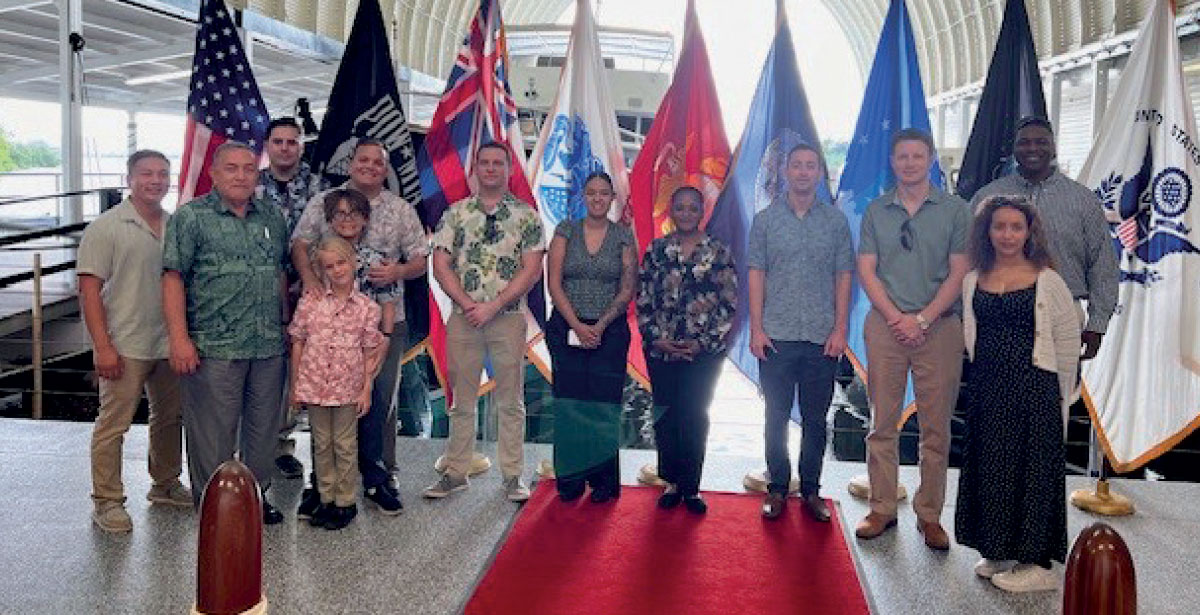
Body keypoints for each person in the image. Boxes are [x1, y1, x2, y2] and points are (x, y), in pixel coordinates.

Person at [291, 139, 427, 515]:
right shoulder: (325, 202)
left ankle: (377, 477)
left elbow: (419, 261)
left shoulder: (399, 210)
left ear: (385, 169)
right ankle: (322, 484)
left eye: (377, 162)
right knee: (325, 407)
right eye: (362, 160)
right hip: (326, 332)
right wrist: (311, 281)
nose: (369, 167)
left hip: (380, 330)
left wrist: (397, 272)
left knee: (376, 403)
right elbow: (300, 245)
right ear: (351, 164)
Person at [956, 196, 1080, 592]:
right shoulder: (973, 279)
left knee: (1031, 470)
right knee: (992, 467)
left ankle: (1037, 562)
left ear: (1029, 233)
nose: (1007, 235)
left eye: (1015, 227)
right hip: (988, 389)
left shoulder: (1048, 281)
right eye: (999, 227)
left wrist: (1061, 398)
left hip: (1034, 391)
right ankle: (998, 548)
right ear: (987, 231)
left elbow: (1065, 342)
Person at [163, 141, 290, 524]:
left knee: (263, 431)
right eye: (231, 168)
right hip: (213, 346)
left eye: (249, 168)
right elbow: (173, 278)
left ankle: (255, 496)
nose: (240, 175)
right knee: (212, 436)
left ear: (257, 174)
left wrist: (285, 325)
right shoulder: (191, 218)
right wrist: (179, 339)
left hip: (267, 344)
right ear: (215, 174)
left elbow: (281, 273)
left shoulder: (272, 216)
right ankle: (214, 507)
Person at [855, 129, 970, 549]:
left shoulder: (956, 210)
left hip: (939, 328)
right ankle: (882, 507)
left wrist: (921, 318)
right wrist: (897, 318)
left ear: (930, 160)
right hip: (886, 327)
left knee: (935, 428)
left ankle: (930, 515)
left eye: (917, 156)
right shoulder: (875, 211)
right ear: (892, 161)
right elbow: (866, 270)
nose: (909, 163)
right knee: (882, 422)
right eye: (901, 157)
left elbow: (959, 272)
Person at [424, 142, 545, 502]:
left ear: (508, 170)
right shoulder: (456, 214)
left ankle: (512, 476)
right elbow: (441, 264)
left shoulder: (526, 216)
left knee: (511, 400)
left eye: (498, 163)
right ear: (475, 168)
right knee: (461, 400)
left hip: (507, 318)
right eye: (485, 162)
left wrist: (492, 306)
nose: (491, 168)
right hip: (464, 319)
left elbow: (532, 269)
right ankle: (456, 472)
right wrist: (468, 304)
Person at [79, 150, 190, 533]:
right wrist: (102, 346)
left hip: (168, 341)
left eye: (162, 174)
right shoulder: (107, 226)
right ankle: (107, 501)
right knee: (114, 424)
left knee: (168, 418)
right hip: (124, 343)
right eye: (147, 173)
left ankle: (165, 483)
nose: (155, 180)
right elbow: (89, 291)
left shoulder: (176, 225)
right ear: (130, 178)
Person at [747, 144, 854, 522]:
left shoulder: (835, 222)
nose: (804, 172)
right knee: (774, 417)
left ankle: (811, 491)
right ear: (786, 172)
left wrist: (840, 329)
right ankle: (778, 487)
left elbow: (844, 277)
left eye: (811, 166)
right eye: (798, 166)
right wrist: (756, 328)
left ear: (819, 173)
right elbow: (756, 275)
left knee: (815, 418)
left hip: (821, 337)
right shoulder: (765, 221)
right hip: (775, 335)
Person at [970, 116, 1117, 360]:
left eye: (1041, 142)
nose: (1032, 148)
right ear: (1014, 149)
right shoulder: (988, 197)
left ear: (1053, 147)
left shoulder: (1083, 200)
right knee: (1001, 393)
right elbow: (969, 256)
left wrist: (1097, 324)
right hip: (998, 312)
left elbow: (1102, 264)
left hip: (1062, 312)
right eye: (1024, 143)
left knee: (1057, 395)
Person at [636, 186, 737, 515]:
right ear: (671, 211)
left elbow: (728, 303)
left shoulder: (718, 251)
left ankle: (691, 486)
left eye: (693, 208)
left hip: (703, 353)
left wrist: (701, 343)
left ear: (702, 211)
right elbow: (644, 299)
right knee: (666, 414)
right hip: (662, 350)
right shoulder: (657, 250)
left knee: (694, 414)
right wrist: (656, 338)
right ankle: (671, 483)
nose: (686, 213)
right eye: (680, 207)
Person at [545, 171, 636, 503]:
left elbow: (627, 289)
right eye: (592, 193)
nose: (598, 199)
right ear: (584, 197)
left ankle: (603, 482)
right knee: (570, 406)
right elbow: (554, 283)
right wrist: (578, 326)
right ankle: (569, 481)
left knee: (602, 407)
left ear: (612, 199)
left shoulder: (624, 236)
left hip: (609, 333)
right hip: (567, 328)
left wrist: (599, 326)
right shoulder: (565, 230)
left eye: (604, 194)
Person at [288, 236, 387, 530]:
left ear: (354, 262)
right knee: (321, 443)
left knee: (344, 444)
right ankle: (325, 497)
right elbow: (298, 342)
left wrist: (367, 387)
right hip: (315, 385)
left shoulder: (368, 308)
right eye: (329, 266)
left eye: (341, 263)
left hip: (348, 387)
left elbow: (371, 351)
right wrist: (295, 384)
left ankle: (345, 502)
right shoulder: (311, 303)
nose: (337, 270)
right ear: (322, 270)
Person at [258, 116, 316, 481]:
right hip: (260, 295)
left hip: (309, 292)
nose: (284, 148)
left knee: (296, 375)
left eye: (291, 142)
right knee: (264, 373)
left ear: (301, 146)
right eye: (277, 141)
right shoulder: (251, 185)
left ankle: (282, 446)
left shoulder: (319, 185)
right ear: (267, 146)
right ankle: (252, 447)